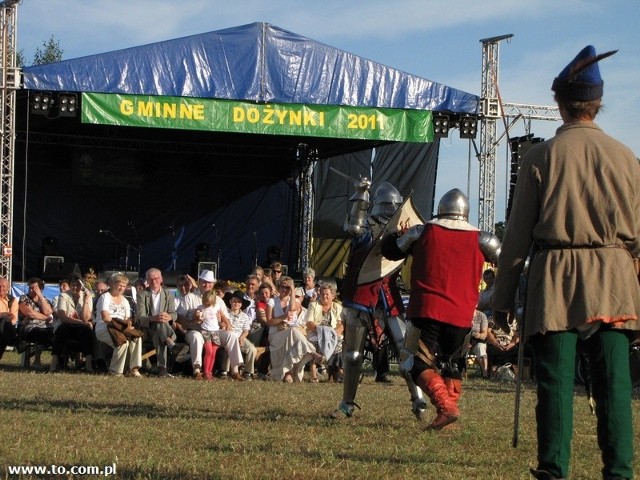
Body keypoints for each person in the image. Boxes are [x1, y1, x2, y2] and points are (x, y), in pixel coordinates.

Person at [492, 45, 639, 480]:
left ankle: (553, 471)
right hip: (614, 278)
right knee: (615, 385)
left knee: (555, 384)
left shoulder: (540, 157)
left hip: (556, 277)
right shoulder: (628, 158)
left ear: (560, 103)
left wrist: (502, 301)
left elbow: (516, 239)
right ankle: (620, 472)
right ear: (597, 103)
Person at [380, 188, 500, 429]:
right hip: (462, 315)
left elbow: (390, 250)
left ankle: (447, 408)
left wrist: (395, 234)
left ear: (441, 210)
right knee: (452, 364)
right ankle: (447, 415)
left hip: (428, 311)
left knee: (415, 364)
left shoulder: (422, 232)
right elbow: (507, 260)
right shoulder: (482, 238)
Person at [330, 179, 427, 420]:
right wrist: (361, 195)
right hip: (360, 293)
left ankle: (419, 401)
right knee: (353, 355)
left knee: (406, 350)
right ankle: (347, 405)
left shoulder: (402, 230)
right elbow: (353, 226)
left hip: (388, 295)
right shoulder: (366, 227)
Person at [266, 277, 321, 382]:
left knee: (293, 334)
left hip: (291, 333)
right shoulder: (272, 301)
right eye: (283, 287)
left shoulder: (295, 301)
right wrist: (283, 317)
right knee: (293, 331)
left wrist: (292, 289)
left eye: (287, 288)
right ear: (278, 287)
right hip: (276, 333)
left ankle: (288, 373)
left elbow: (292, 309)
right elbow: (269, 322)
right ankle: (313, 353)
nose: (285, 290)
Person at [94, 273, 142, 377]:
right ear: (112, 284)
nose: (121, 288)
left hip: (121, 327)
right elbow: (105, 317)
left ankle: (134, 369)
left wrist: (127, 327)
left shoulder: (125, 301)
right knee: (122, 341)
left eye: (124, 286)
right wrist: (120, 326)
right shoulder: (105, 297)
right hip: (105, 327)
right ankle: (115, 371)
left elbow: (127, 319)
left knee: (136, 338)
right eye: (119, 285)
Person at [135, 268, 179, 377]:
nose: (153, 281)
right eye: (150, 279)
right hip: (147, 329)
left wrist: (168, 317)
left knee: (159, 330)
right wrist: (154, 318)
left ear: (161, 279)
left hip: (161, 330)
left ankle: (162, 368)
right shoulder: (142, 294)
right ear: (147, 281)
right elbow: (140, 318)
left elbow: (174, 314)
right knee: (159, 325)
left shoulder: (168, 294)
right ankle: (171, 344)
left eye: (156, 278)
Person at [195, 290, 244, 381]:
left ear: (213, 302)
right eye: (205, 303)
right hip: (206, 331)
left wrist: (228, 324)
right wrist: (198, 316)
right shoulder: (201, 307)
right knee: (209, 351)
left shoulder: (216, 307)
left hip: (215, 332)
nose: (207, 305)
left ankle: (209, 372)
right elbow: (197, 315)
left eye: (209, 303)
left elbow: (223, 316)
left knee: (213, 352)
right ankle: (205, 371)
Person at [51, 274, 94, 373]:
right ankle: (53, 365)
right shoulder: (64, 296)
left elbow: (86, 318)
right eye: (73, 285)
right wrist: (82, 323)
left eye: (78, 285)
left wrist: (86, 301)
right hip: (66, 325)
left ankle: (88, 365)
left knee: (86, 331)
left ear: (82, 286)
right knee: (62, 330)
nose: (75, 287)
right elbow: (63, 317)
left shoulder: (87, 297)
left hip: (81, 327)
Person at [304, 282, 344, 382]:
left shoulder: (338, 307)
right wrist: (322, 332)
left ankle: (337, 370)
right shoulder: (313, 305)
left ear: (333, 296)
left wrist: (331, 334)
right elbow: (309, 322)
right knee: (315, 343)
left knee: (338, 343)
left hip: (333, 333)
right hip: (316, 332)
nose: (324, 296)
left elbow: (341, 324)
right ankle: (313, 371)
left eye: (327, 294)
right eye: (322, 294)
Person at [17, 277, 55, 368]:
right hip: (28, 327)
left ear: (40, 289)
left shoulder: (45, 300)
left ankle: (58, 361)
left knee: (55, 333)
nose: (31, 290)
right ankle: (37, 360)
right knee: (42, 333)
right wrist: (46, 318)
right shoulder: (24, 298)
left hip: (44, 327)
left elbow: (48, 311)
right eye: (30, 288)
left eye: (34, 288)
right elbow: (30, 313)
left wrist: (40, 297)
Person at [223, 290, 257, 380]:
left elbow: (246, 330)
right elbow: (223, 325)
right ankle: (225, 371)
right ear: (230, 301)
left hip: (240, 336)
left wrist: (242, 338)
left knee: (252, 349)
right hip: (229, 336)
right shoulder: (226, 314)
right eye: (234, 301)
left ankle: (248, 371)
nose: (236, 304)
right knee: (229, 347)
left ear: (241, 304)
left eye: (239, 302)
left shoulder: (245, 316)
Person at [0, 277, 19, 361]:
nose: (1, 288)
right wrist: (3, 315)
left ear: (8, 288)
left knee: (6, 326)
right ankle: (16, 341)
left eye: (3, 286)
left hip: (5, 326)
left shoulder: (12, 300)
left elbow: (13, 319)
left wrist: (6, 317)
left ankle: (15, 340)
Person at [469, 309, 489, 378]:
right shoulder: (463, 313)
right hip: (464, 339)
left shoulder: (482, 316)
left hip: (477, 340)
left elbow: (484, 334)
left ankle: (485, 374)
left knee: (480, 348)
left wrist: (478, 335)